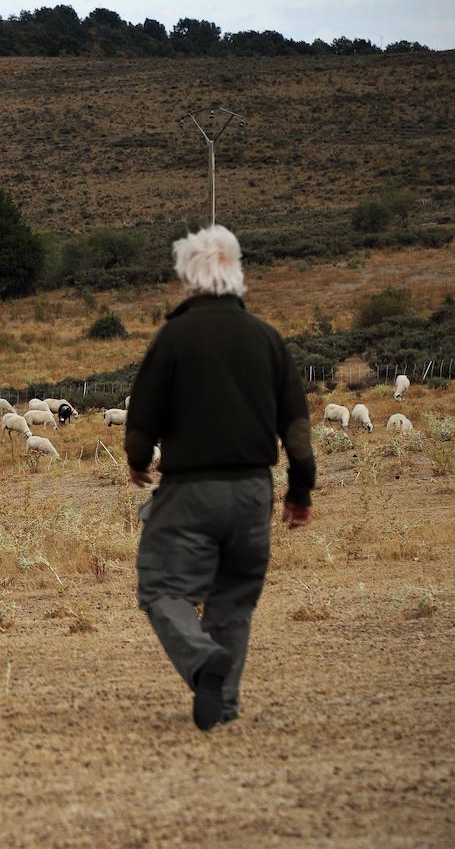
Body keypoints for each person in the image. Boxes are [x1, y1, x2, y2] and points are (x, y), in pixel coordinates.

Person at [124, 224, 315, 731]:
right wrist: (300, 490)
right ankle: (222, 702)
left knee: (163, 587)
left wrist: (138, 458)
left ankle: (201, 660)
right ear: (237, 274)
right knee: (234, 595)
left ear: (187, 276)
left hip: (189, 491)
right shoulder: (266, 338)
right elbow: (295, 423)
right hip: (253, 491)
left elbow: (141, 416)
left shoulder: (174, 338)